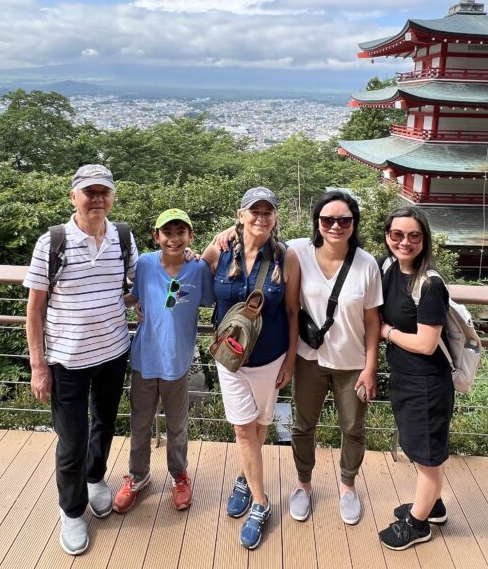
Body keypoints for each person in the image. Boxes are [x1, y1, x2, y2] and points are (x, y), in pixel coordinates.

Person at [23, 164, 139, 556]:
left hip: (112, 352)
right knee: (70, 439)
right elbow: (35, 309)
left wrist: (187, 258)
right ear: (73, 197)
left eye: (104, 192)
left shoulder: (124, 238)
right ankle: (71, 510)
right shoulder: (51, 243)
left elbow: (136, 287)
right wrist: (38, 366)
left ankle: (95, 479)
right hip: (65, 358)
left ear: (112, 197)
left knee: (104, 423)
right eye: (89, 193)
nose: (97, 199)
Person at [201, 186, 297, 551]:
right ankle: (261, 502)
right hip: (232, 360)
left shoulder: (285, 257)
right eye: (253, 211)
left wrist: (289, 359)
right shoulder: (221, 251)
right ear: (240, 215)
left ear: (275, 218)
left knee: (259, 427)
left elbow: (292, 311)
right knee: (244, 430)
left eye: (267, 212)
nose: (260, 217)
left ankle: (245, 477)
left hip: (270, 357)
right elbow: (187, 269)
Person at [284, 190, 382, 526]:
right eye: (328, 219)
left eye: (344, 220)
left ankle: (348, 486)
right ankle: (303, 483)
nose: (335, 226)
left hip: (352, 362)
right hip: (309, 359)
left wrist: (371, 367)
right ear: (317, 222)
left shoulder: (367, 264)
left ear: (354, 224)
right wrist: (227, 232)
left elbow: (372, 321)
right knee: (302, 425)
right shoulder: (298, 251)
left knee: (353, 427)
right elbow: (258, 235)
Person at [112, 208, 215, 514]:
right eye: (167, 233)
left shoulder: (197, 269)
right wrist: (123, 305)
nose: (173, 239)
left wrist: (206, 254)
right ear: (156, 236)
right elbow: (135, 296)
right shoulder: (144, 264)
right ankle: (138, 476)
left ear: (190, 237)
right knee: (140, 424)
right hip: (145, 358)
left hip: (177, 362)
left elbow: (211, 296)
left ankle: (179, 475)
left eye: (180, 232)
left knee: (177, 426)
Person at [377, 205, 453, 551]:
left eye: (413, 236)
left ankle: (417, 525)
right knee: (417, 446)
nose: (404, 242)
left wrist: (386, 332)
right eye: (397, 234)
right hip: (406, 377)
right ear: (387, 237)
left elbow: (426, 343)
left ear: (424, 240)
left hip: (426, 382)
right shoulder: (390, 268)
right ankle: (432, 505)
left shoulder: (429, 284)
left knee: (426, 455)